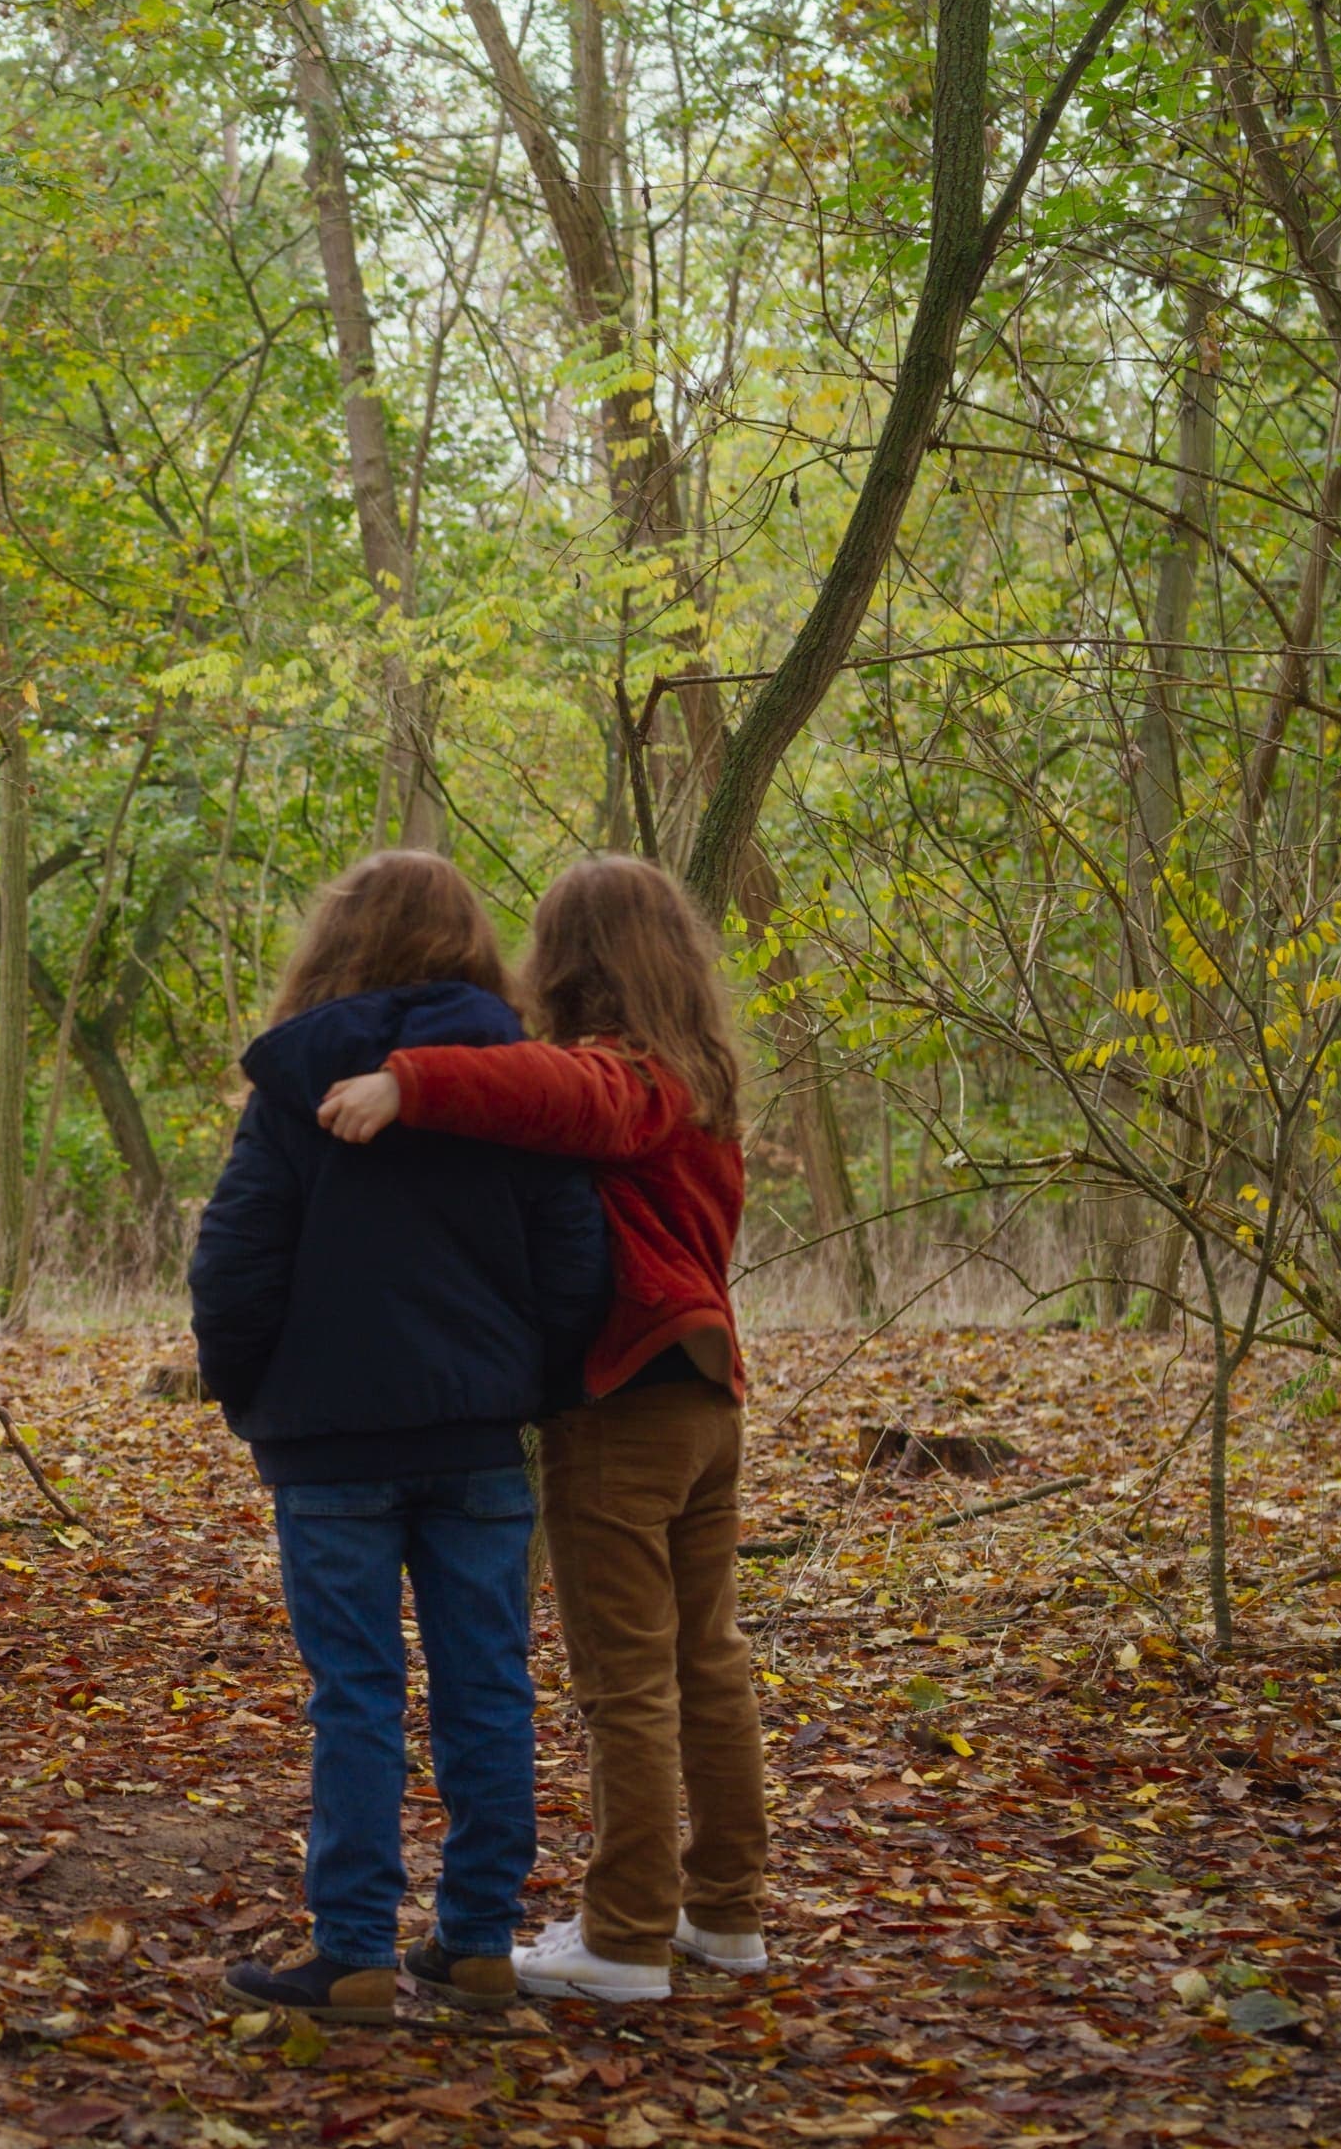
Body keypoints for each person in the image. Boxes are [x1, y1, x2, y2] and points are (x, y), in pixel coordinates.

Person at [317, 853, 765, 2004]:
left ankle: (623, 1939)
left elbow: (563, 1094)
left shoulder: (628, 1078)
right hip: (706, 1402)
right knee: (704, 1666)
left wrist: (408, 1083)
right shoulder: (700, 1076)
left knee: (630, 1681)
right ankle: (724, 1916)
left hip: (629, 1408)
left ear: (570, 961)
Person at [190, 851, 608, 2025]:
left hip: (331, 1449)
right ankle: (477, 1943)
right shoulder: (518, 1089)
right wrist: (530, 1384)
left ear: (335, 944)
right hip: (477, 1438)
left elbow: (234, 1267)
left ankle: (358, 1951)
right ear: (473, 950)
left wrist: (253, 1397)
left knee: (359, 1695)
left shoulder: (294, 1094)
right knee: (487, 1684)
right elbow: (575, 1262)